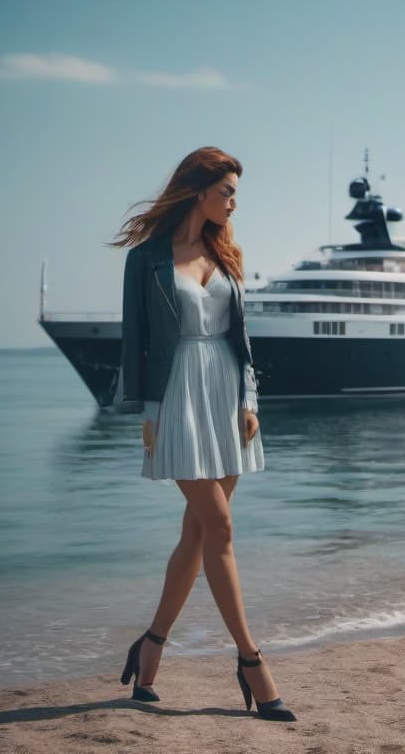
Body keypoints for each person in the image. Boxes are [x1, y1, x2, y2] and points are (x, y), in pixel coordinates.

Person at [109, 146, 295, 722]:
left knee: (198, 536)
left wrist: (251, 398)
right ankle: (250, 659)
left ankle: (151, 646)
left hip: (226, 397)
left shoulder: (226, 249)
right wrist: (148, 412)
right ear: (198, 191)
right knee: (218, 524)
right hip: (178, 396)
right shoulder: (146, 261)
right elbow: (134, 338)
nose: (234, 203)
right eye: (228, 191)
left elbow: (241, 338)